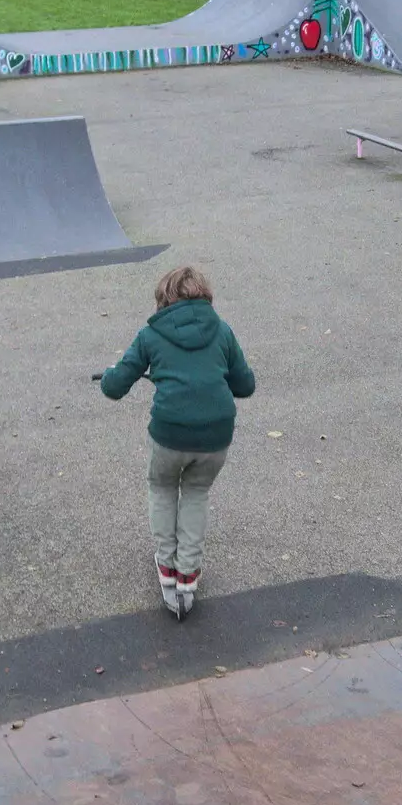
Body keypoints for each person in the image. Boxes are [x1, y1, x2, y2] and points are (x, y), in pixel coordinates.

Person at [100, 266, 256, 620]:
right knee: (197, 492)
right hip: (216, 434)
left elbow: (113, 387)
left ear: (163, 299)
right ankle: (188, 572)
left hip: (170, 433)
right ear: (205, 296)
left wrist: (113, 373)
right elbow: (244, 386)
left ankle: (167, 566)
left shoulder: (151, 335)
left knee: (163, 487)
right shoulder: (222, 331)